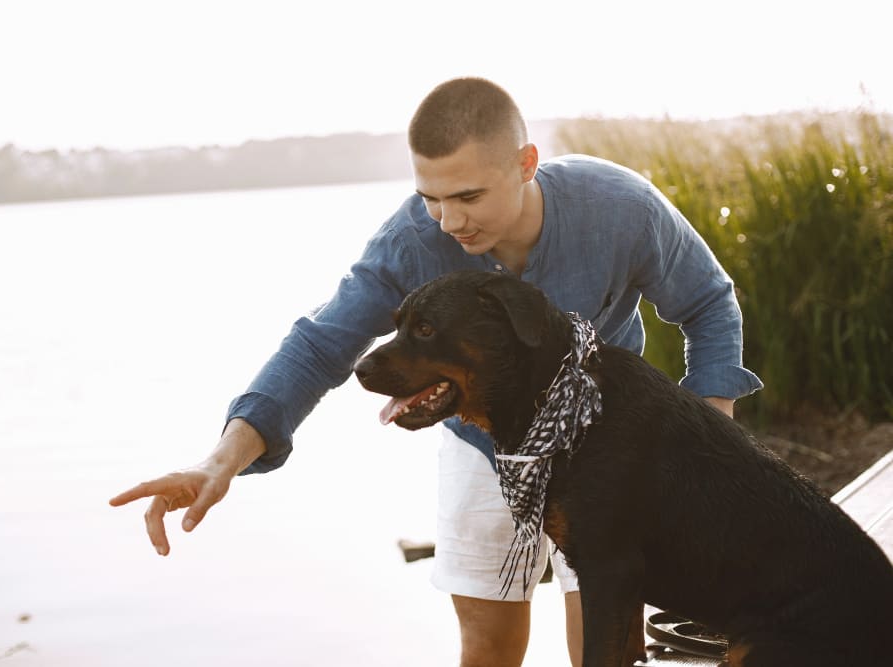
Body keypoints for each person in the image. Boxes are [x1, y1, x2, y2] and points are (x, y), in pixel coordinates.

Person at [109, 77, 763, 666]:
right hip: (481, 444)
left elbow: (707, 302)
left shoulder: (619, 207)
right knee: (488, 649)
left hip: (608, 442)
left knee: (603, 647)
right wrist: (221, 459)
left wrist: (710, 436)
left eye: (468, 195)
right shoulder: (411, 241)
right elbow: (319, 345)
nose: (449, 221)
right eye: (431, 197)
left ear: (526, 164)